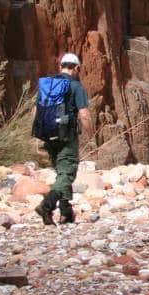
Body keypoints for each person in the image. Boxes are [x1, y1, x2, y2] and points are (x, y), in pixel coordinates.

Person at [34, 53, 92, 225]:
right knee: (67, 174)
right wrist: (91, 134)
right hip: (67, 136)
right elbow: (84, 113)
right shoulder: (76, 86)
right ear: (77, 69)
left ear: (60, 67)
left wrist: (37, 134)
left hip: (47, 135)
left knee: (61, 174)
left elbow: (36, 111)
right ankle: (47, 205)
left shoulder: (48, 85)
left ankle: (65, 212)